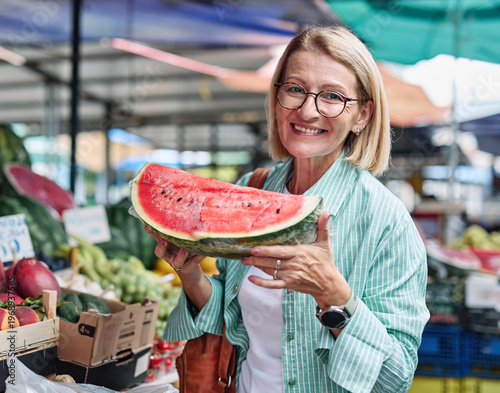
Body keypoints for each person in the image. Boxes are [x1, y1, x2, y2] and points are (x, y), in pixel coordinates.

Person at [147, 25, 430, 393]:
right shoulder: (254, 187)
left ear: (362, 115)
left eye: (332, 96)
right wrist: (191, 276)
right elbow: (235, 320)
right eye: (295, 89)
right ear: (277, 97)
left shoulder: (386, 223)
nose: (308, 110)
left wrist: (334, 296)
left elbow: (395, 379)